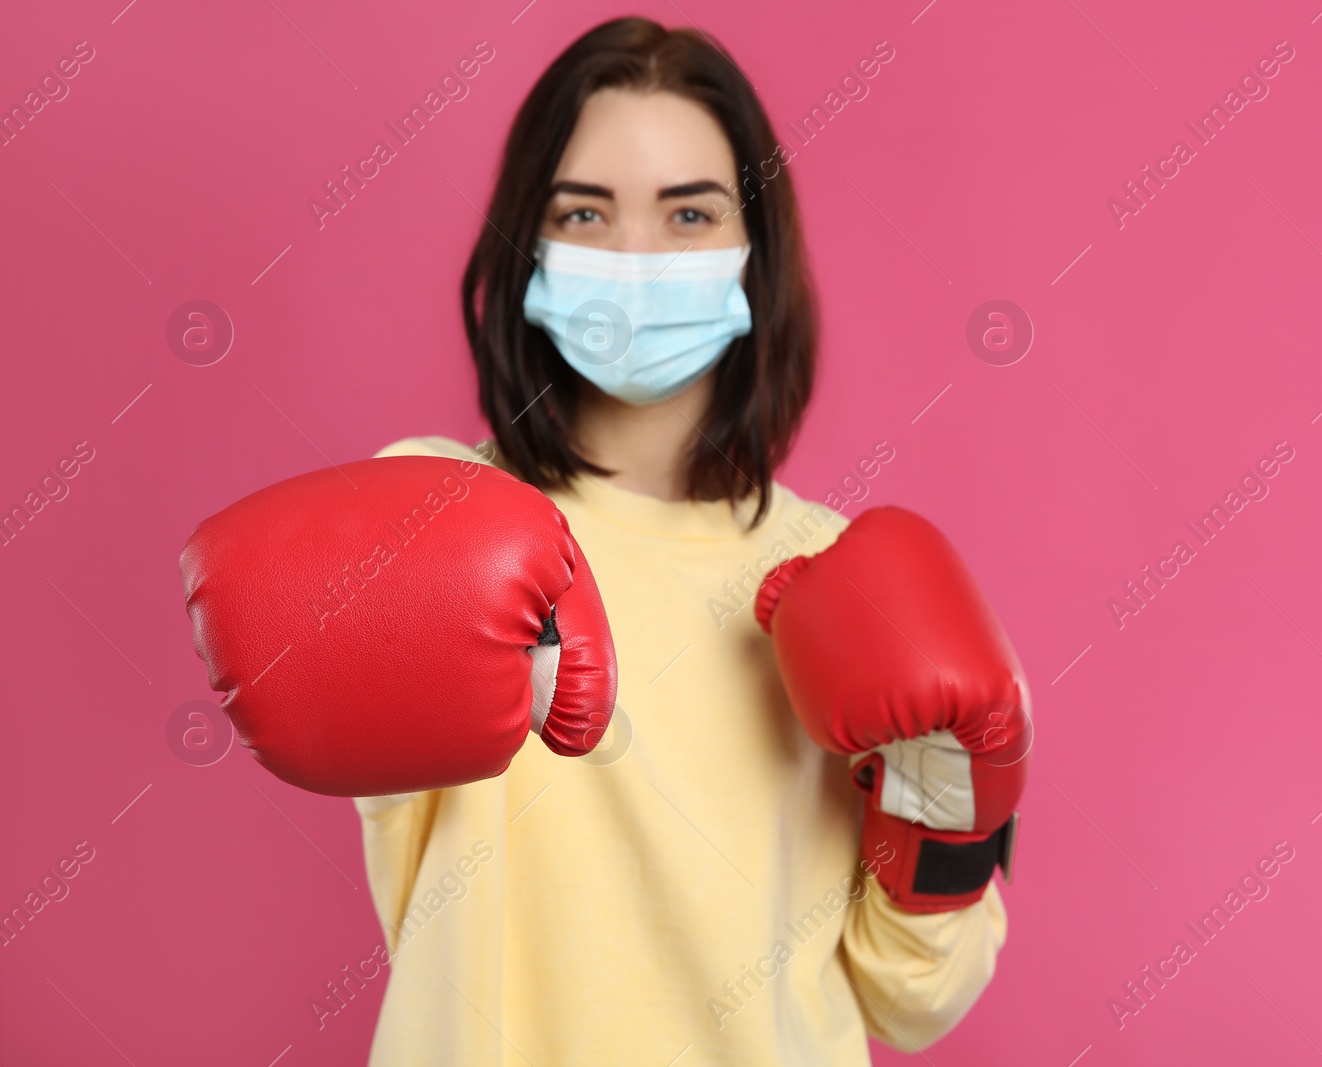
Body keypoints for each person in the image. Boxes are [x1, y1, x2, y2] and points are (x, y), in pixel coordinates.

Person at [192, 16, 1016, 1064]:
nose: (636, 257)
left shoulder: (840, 573)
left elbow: (916, 1000)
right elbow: (268, 646)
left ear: (751, 248)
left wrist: (941, 799)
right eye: (585, 210)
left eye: (688, 213)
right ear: (527, 243)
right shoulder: (432, 508)